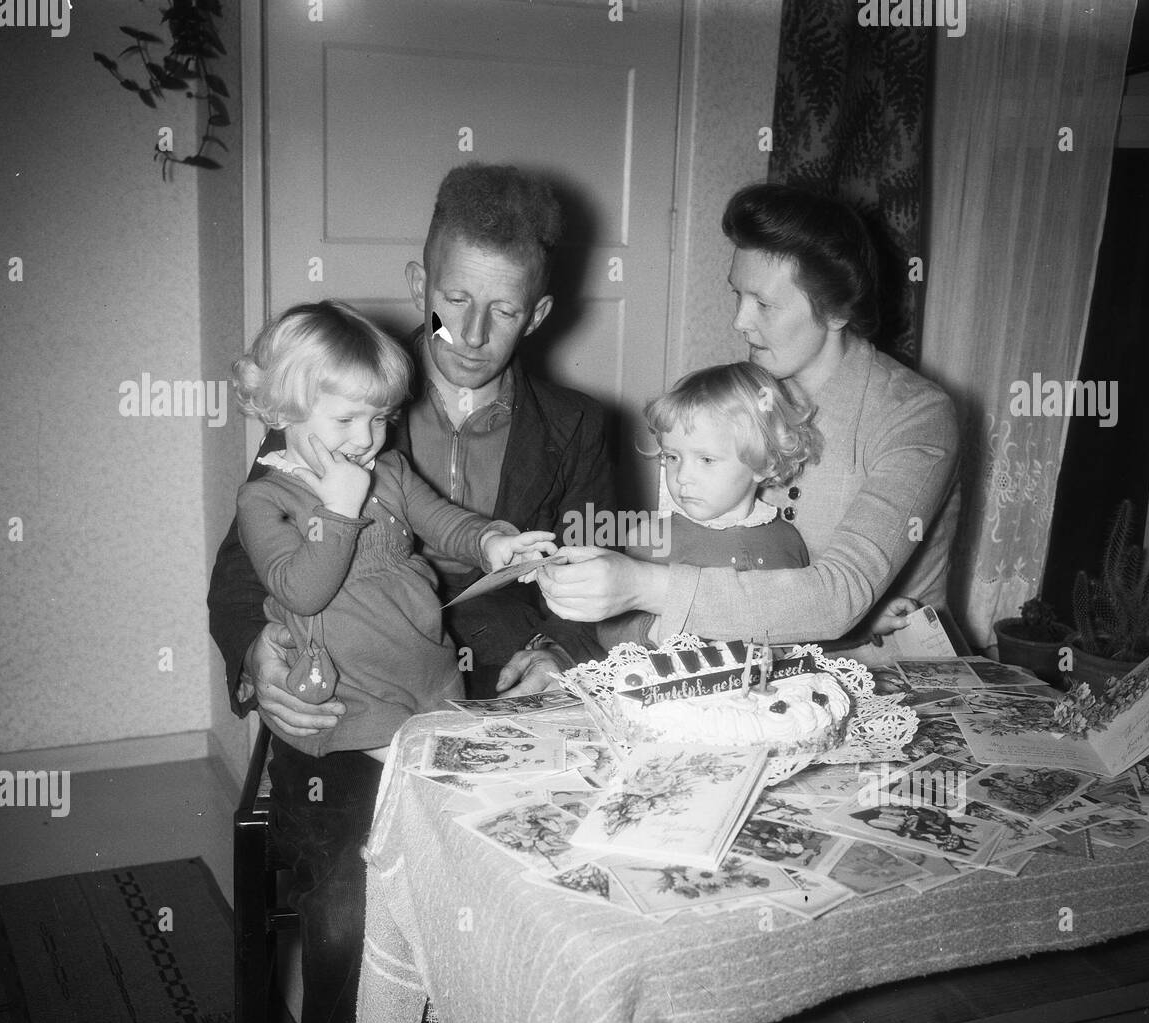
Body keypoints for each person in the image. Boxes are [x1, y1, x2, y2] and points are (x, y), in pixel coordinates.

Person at [206, 164, 613, 1023]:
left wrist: (555, 652)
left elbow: (587, 576)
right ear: (418, 285)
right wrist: (257, 658)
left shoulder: (581, 428)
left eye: (502, 311)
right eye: (452, 298)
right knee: (354, 918)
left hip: (496, 710)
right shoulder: (336, 400)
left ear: (538, 315)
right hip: (346, 709)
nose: (469, 333)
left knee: (557, 901)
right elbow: (241, 580)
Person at [534, 182, 961, 649]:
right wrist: (564, 649)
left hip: (896, 683)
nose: (739, 321)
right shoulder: (734, 400)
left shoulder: (917, 415)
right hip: (741, 679)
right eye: (737, 296)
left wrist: (640, 585)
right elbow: (675, 560)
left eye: (764, 304)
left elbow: (839, 597)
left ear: (837, 311)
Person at [232, 300, 555, 762]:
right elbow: (301, 593)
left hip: (428, 658)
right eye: (345, 420)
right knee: (432, 780)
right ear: (281, 412)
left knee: (460, 767)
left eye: (380, 418)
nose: (366, 439)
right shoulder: (264, 499)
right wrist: (340, 509)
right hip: (353, 690)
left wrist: (490, 541)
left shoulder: (390, 470)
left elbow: (442, 520)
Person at [597, 360, 821, 648]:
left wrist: (864, 624)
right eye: (672, 457)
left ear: (763, 463)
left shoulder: (788, 540)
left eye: (706, 459)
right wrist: (656, 631)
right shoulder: (652, 538)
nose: (682, 477)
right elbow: (610, 628)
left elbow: (808, 625)